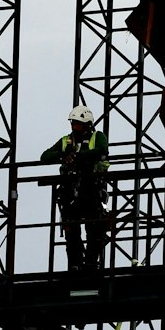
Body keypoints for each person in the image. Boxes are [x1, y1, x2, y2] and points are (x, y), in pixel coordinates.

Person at [41, 105, 111, 270]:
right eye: (73, 123)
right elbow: (44, 156)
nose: (74, 127)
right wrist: (63, 154)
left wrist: (79, 157)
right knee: (71, 230)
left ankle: (91, 263)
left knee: (94, 228)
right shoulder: (67, 140)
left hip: (92, 190)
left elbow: (102, 150)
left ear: (87, 124)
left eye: (78, 124)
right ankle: (75, 264)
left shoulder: (97, 136)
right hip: (70, 193)